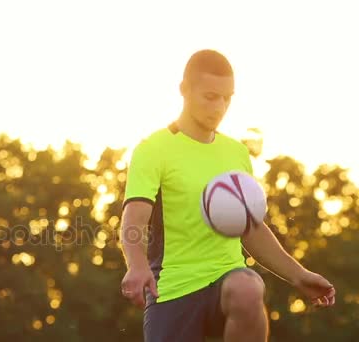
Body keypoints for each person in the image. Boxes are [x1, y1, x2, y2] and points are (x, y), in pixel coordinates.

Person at [119, 49, 336, 342]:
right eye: (210, 97)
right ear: (184, 90)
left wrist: (299, 275)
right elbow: (135, 216)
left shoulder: (236, 152)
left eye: (227, 98)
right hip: (172, 288)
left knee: (248, 287)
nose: (220, 106)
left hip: (227, 278)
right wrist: (137, 264)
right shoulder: (153, 148)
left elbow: (251, 228)